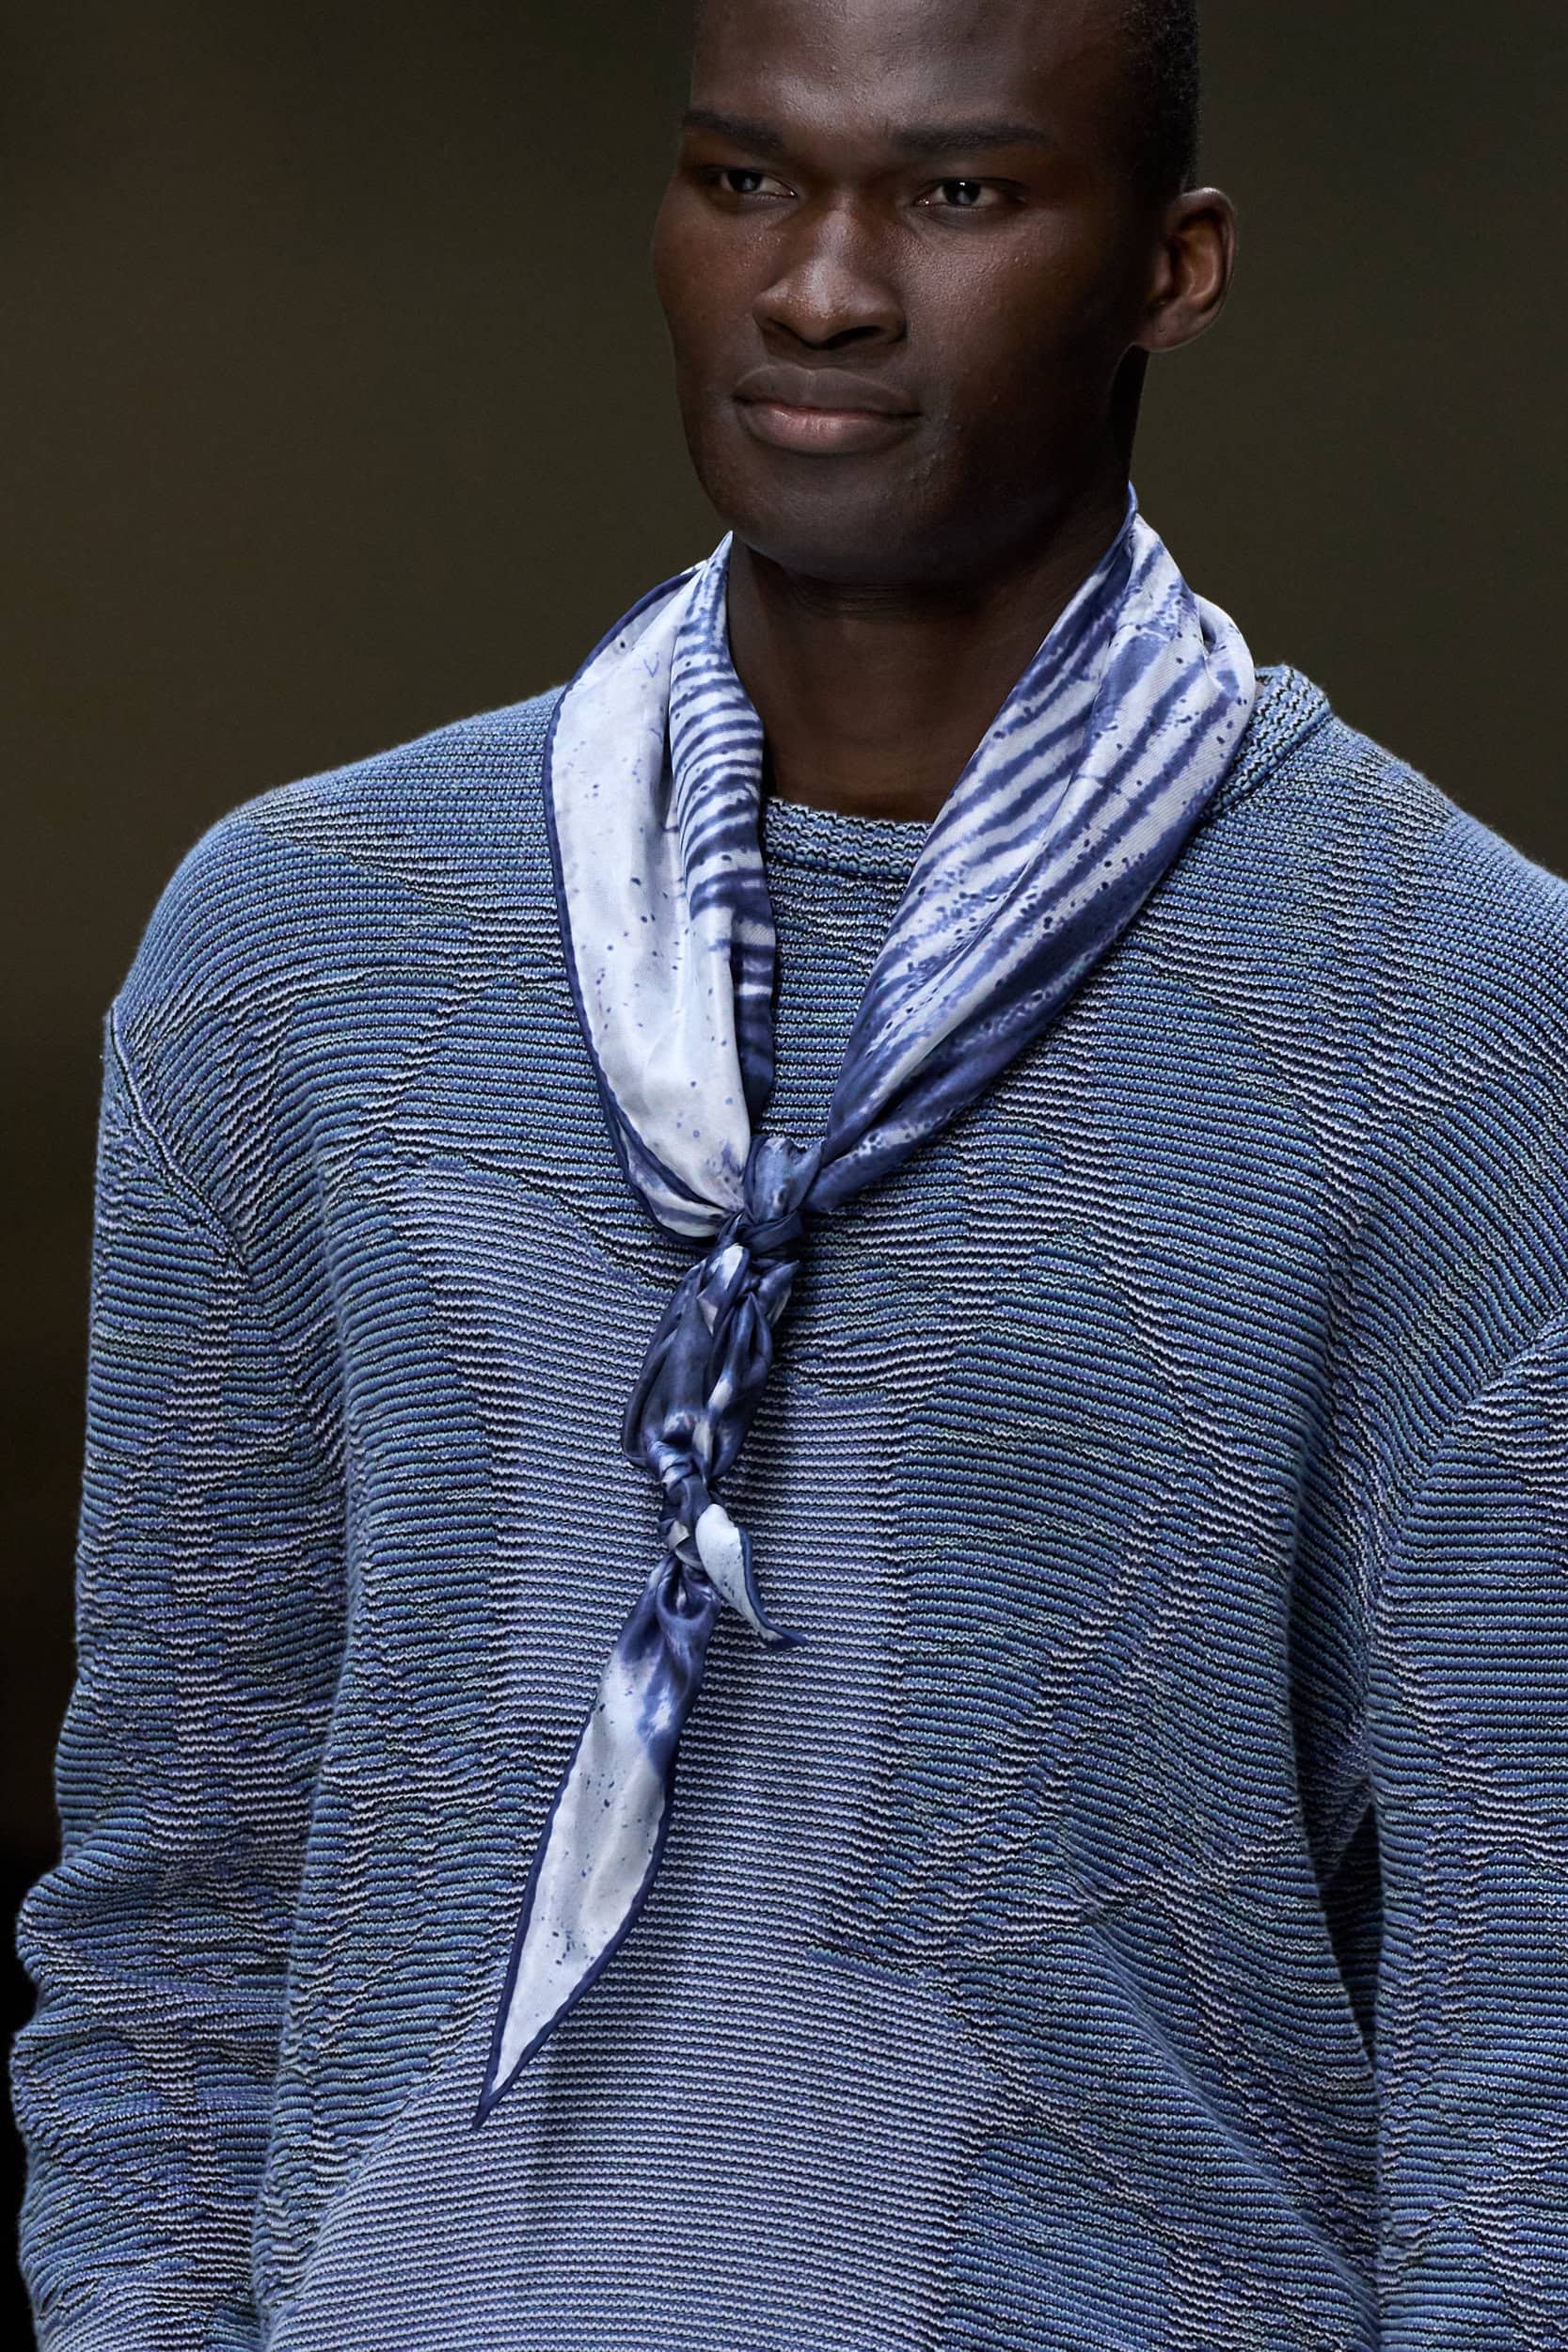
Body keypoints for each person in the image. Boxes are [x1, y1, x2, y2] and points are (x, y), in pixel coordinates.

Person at [13, 0, 1568, 2343]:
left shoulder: (1449, 1011)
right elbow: (176, 1903)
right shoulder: (301, 950)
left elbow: (1527, 2021)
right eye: (746, 179)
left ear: (1175, 266)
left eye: (955, 195)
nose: (819, 289)